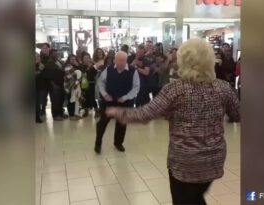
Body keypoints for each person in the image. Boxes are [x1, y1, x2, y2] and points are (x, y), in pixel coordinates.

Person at [106, 38, 240, 205]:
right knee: (196, 197)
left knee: (186, 200)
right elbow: (239, 114)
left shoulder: (175, 89)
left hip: (185, 163)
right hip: (213, 159)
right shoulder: (223, 87)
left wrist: (118, 112)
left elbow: (145, 114)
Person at [95, 51, 140, 154]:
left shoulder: (133, 71)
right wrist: (105, 94)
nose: (121, 62)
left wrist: (126, 97)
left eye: (123, 60)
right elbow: (101, 83)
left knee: (121, 124)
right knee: (102, 123)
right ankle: (98, 143)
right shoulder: (108, 69)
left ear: (126, 60)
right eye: (119, 60)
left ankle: (118, 143)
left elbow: (136, 87)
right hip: (109, 101)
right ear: (115, 60)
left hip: (124, 102)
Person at [41, 49, 66, 121]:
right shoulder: (48, 64)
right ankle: (55, 115)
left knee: (61, 99)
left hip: (61, 84)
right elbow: (48, 76)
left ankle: (61, 113)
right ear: (50, 54)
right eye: (54, 53)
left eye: (57, 53)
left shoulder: (58, 62)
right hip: (53, 85)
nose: (56, 55)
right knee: (55, 100)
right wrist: (53, 85)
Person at [79, 52, 98, 117]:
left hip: (91, 83)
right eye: (85, 58)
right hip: (83, 84)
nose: (87, 59)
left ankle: (96, 110)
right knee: (85, 97)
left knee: (91, 97)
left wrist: (91, 67)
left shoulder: (92, 65)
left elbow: (95, 73)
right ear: (82, 59)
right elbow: (80, 73)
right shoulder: (80, 66)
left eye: (88, 57)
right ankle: (86, 110)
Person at [64, 55, 82, 120]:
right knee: (71, 101)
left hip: (75, 86)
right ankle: (71, 115)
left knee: (76, 100)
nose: (73, 60)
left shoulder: (75, 66)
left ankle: (75, 114)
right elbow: (69, 77)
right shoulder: (67, 66)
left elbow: (80, 73)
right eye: (71, 59)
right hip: (69, 86)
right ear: (69, 60)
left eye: (74, 59)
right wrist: (77, 81)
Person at [35, 52, 44, 123]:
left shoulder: (41, 65)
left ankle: (37, 117)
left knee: (38, 103)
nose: (39, 58)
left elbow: (42, 73)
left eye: (39, 57)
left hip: (39, 86)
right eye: (37, 57)